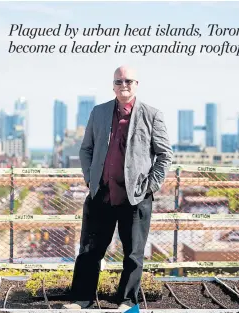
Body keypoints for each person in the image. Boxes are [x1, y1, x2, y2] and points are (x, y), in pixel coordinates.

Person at [62, 66, 173, 310]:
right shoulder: (99, 112)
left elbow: (165, 155)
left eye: (129, 80)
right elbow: (86, 149)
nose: (124, 84)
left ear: (137, 84)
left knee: (133, 254)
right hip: (100, 194)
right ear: (113, 85)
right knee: (89, 250)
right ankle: (82, 300)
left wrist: (149, 187)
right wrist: (91, 180)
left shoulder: (152, 114)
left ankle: (126, 302)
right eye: (119, 80)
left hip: (135, 198)